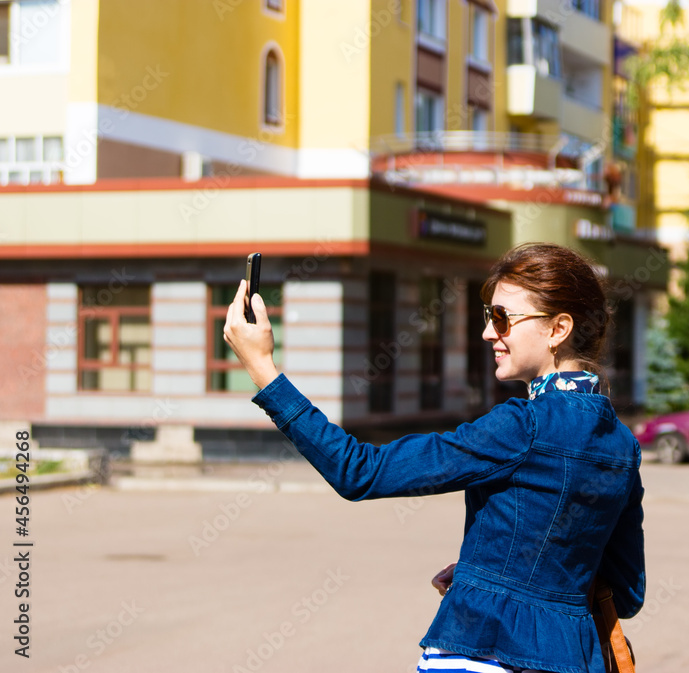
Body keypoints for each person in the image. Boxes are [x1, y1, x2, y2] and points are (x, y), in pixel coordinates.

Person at [223, 242, 645, 673]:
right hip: (574, 660)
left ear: (558, 329)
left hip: (483, 649)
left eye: (502, 318)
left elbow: (358, 471)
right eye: (488, 316)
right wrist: (495, 566)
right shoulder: (623, 446)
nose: (488, 332)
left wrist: (263, 369)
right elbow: (627, 593)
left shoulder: (522, 426)